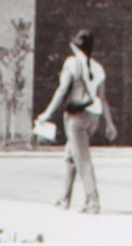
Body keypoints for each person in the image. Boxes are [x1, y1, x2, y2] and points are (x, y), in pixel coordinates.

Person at [40, 29, 115, 215]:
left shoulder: (71, 63)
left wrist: (47, 113)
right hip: (94, 117)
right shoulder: (98, 67)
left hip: (77, 116)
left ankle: (93, 202)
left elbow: (62, 89)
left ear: (75, 45)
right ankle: (64, 197)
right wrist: (110, 123)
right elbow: (103, 98)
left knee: (83, 159)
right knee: (71, 155)